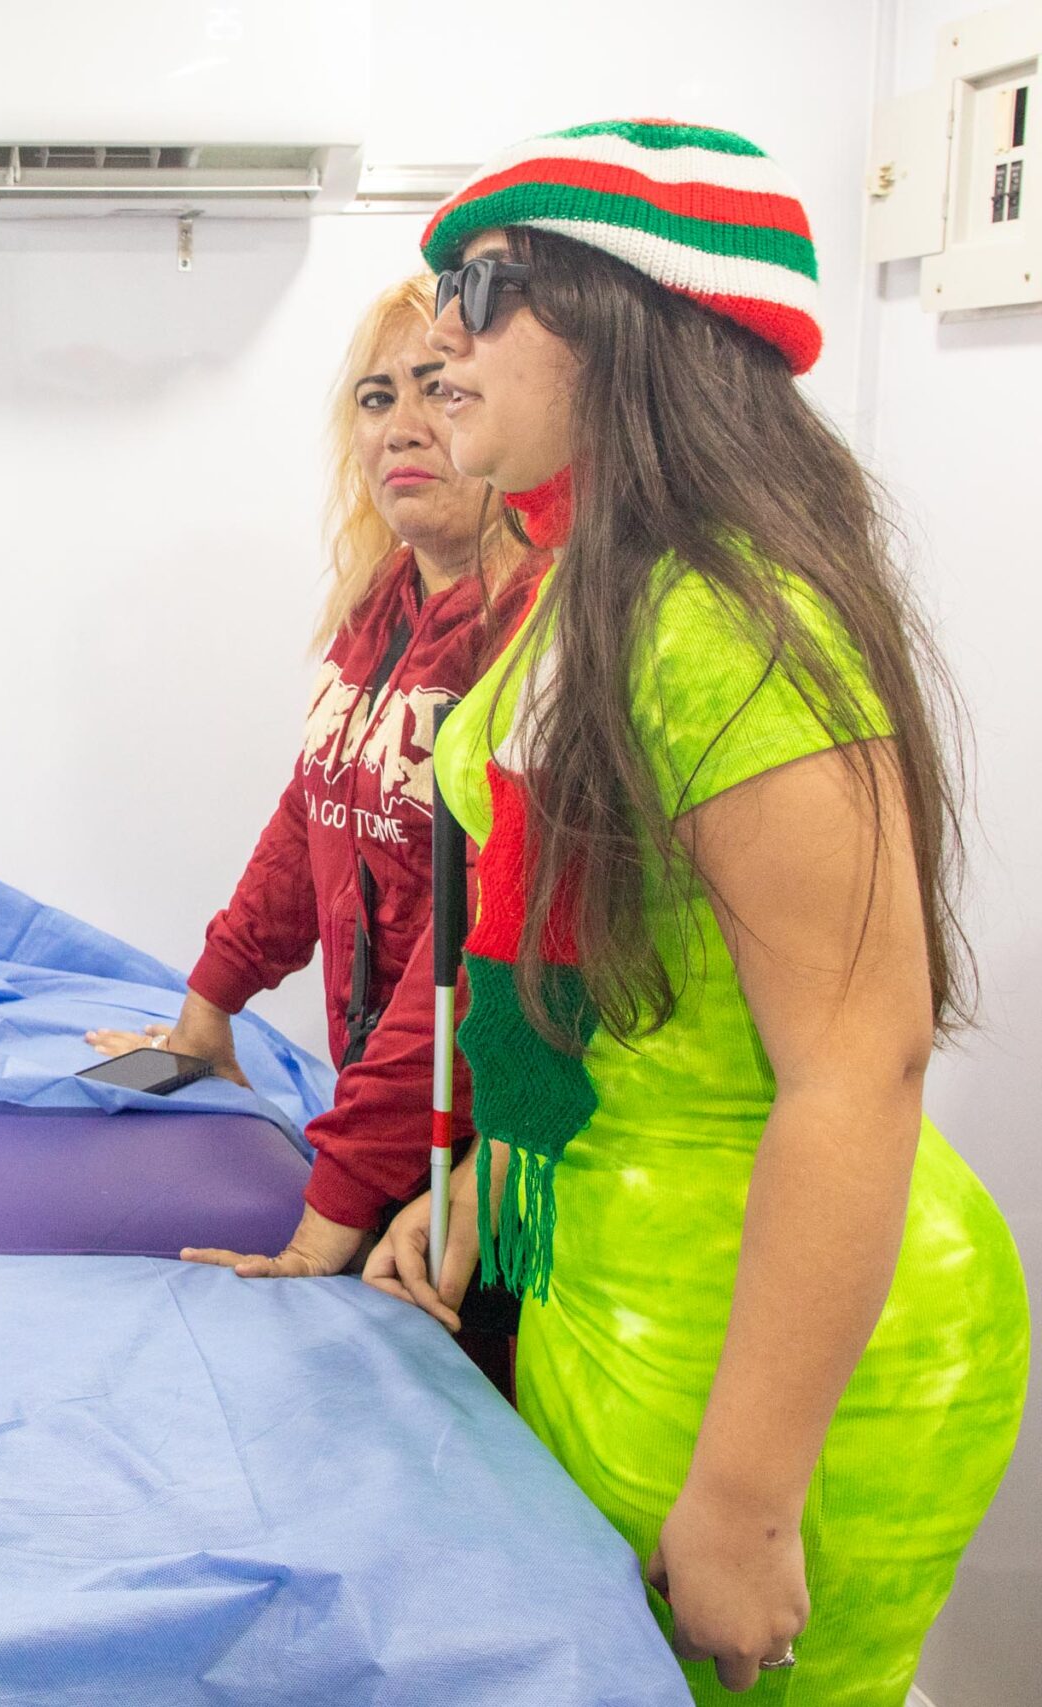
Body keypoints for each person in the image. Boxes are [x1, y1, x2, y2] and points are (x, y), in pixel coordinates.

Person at [367, 120, 1027, 1701]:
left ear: (628, 318)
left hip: (771, 1368)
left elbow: (857, 1067)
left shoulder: (728, 622)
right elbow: (562, 971)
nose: (441, 332)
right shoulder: (600, 586)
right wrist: (475, 1192)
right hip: (618, 1282)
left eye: (488, 283)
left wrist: (743, 1496)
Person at [89, 273, 540, 1284]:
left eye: (439, 389)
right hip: (387, 1125)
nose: (401, 428)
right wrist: (207, 1011)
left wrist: (328, 1210)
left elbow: (476, 960)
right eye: (377, 399)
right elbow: (313, 818)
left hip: (477, 1158)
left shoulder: (533, 635)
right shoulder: (382, 602)